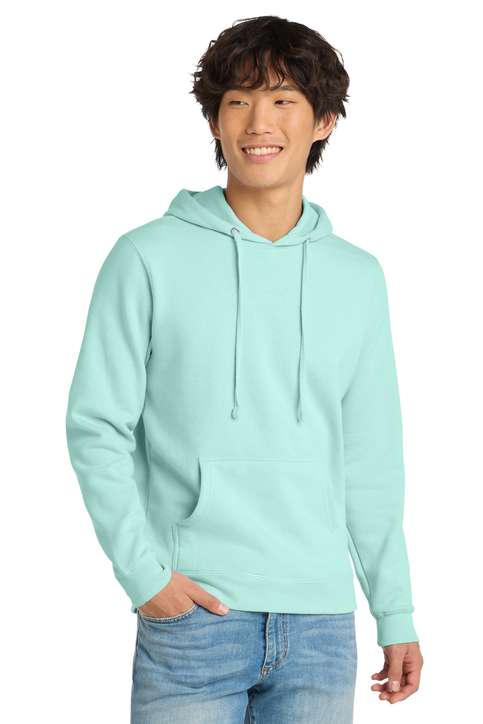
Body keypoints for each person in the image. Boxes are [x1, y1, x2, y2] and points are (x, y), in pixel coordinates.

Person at [65, 14, 423, 723]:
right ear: (215, 121)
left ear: (323, 121)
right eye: (238, 101)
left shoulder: (358, 278)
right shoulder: (146, 257)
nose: (259, 122)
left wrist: (395, 609)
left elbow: (371, 460)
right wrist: (144, 577)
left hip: (321, 625)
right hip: (194, 614)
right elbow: (96, 427)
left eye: (283, 99)